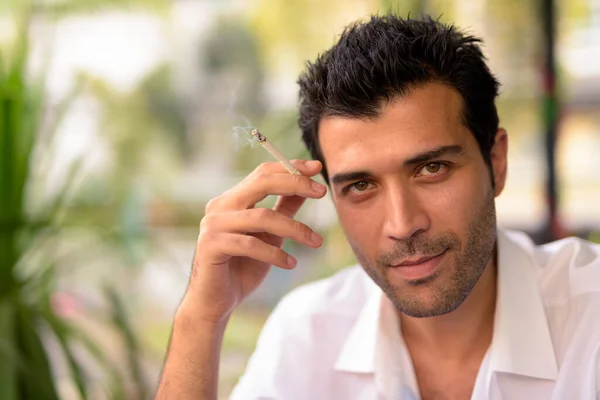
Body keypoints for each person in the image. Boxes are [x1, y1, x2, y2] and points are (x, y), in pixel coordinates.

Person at [155, 15, 600, 400]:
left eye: (432, 168)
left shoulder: (590, 317)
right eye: (362, 185)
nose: (403, 225)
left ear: (496, 163)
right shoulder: (310, 333)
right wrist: (202, 317)